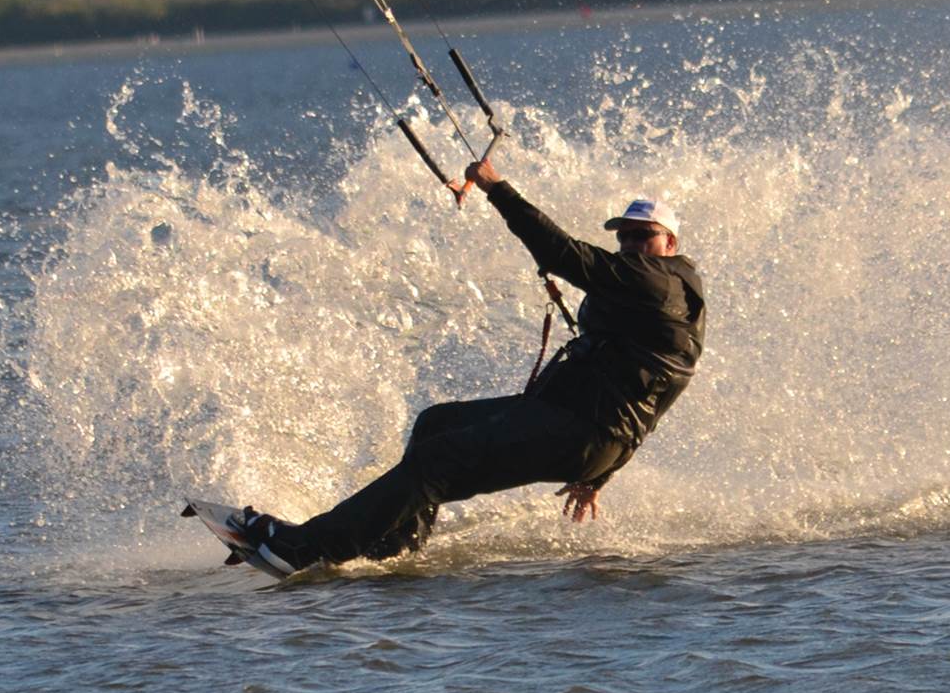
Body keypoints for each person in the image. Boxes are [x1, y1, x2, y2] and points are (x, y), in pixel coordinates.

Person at [222, 160, 706, 579]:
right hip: (577, 423)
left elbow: (564, 254)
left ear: (670, 242)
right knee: (437, 424)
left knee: (439, 461)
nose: (630, 244)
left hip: (583, 431)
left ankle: (303, 548)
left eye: (643, 235)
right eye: (624, 236)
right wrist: (602, 475)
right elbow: (659, 394)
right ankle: (394, 546)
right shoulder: (650, 287)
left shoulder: (660, 284)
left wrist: (497, 188)